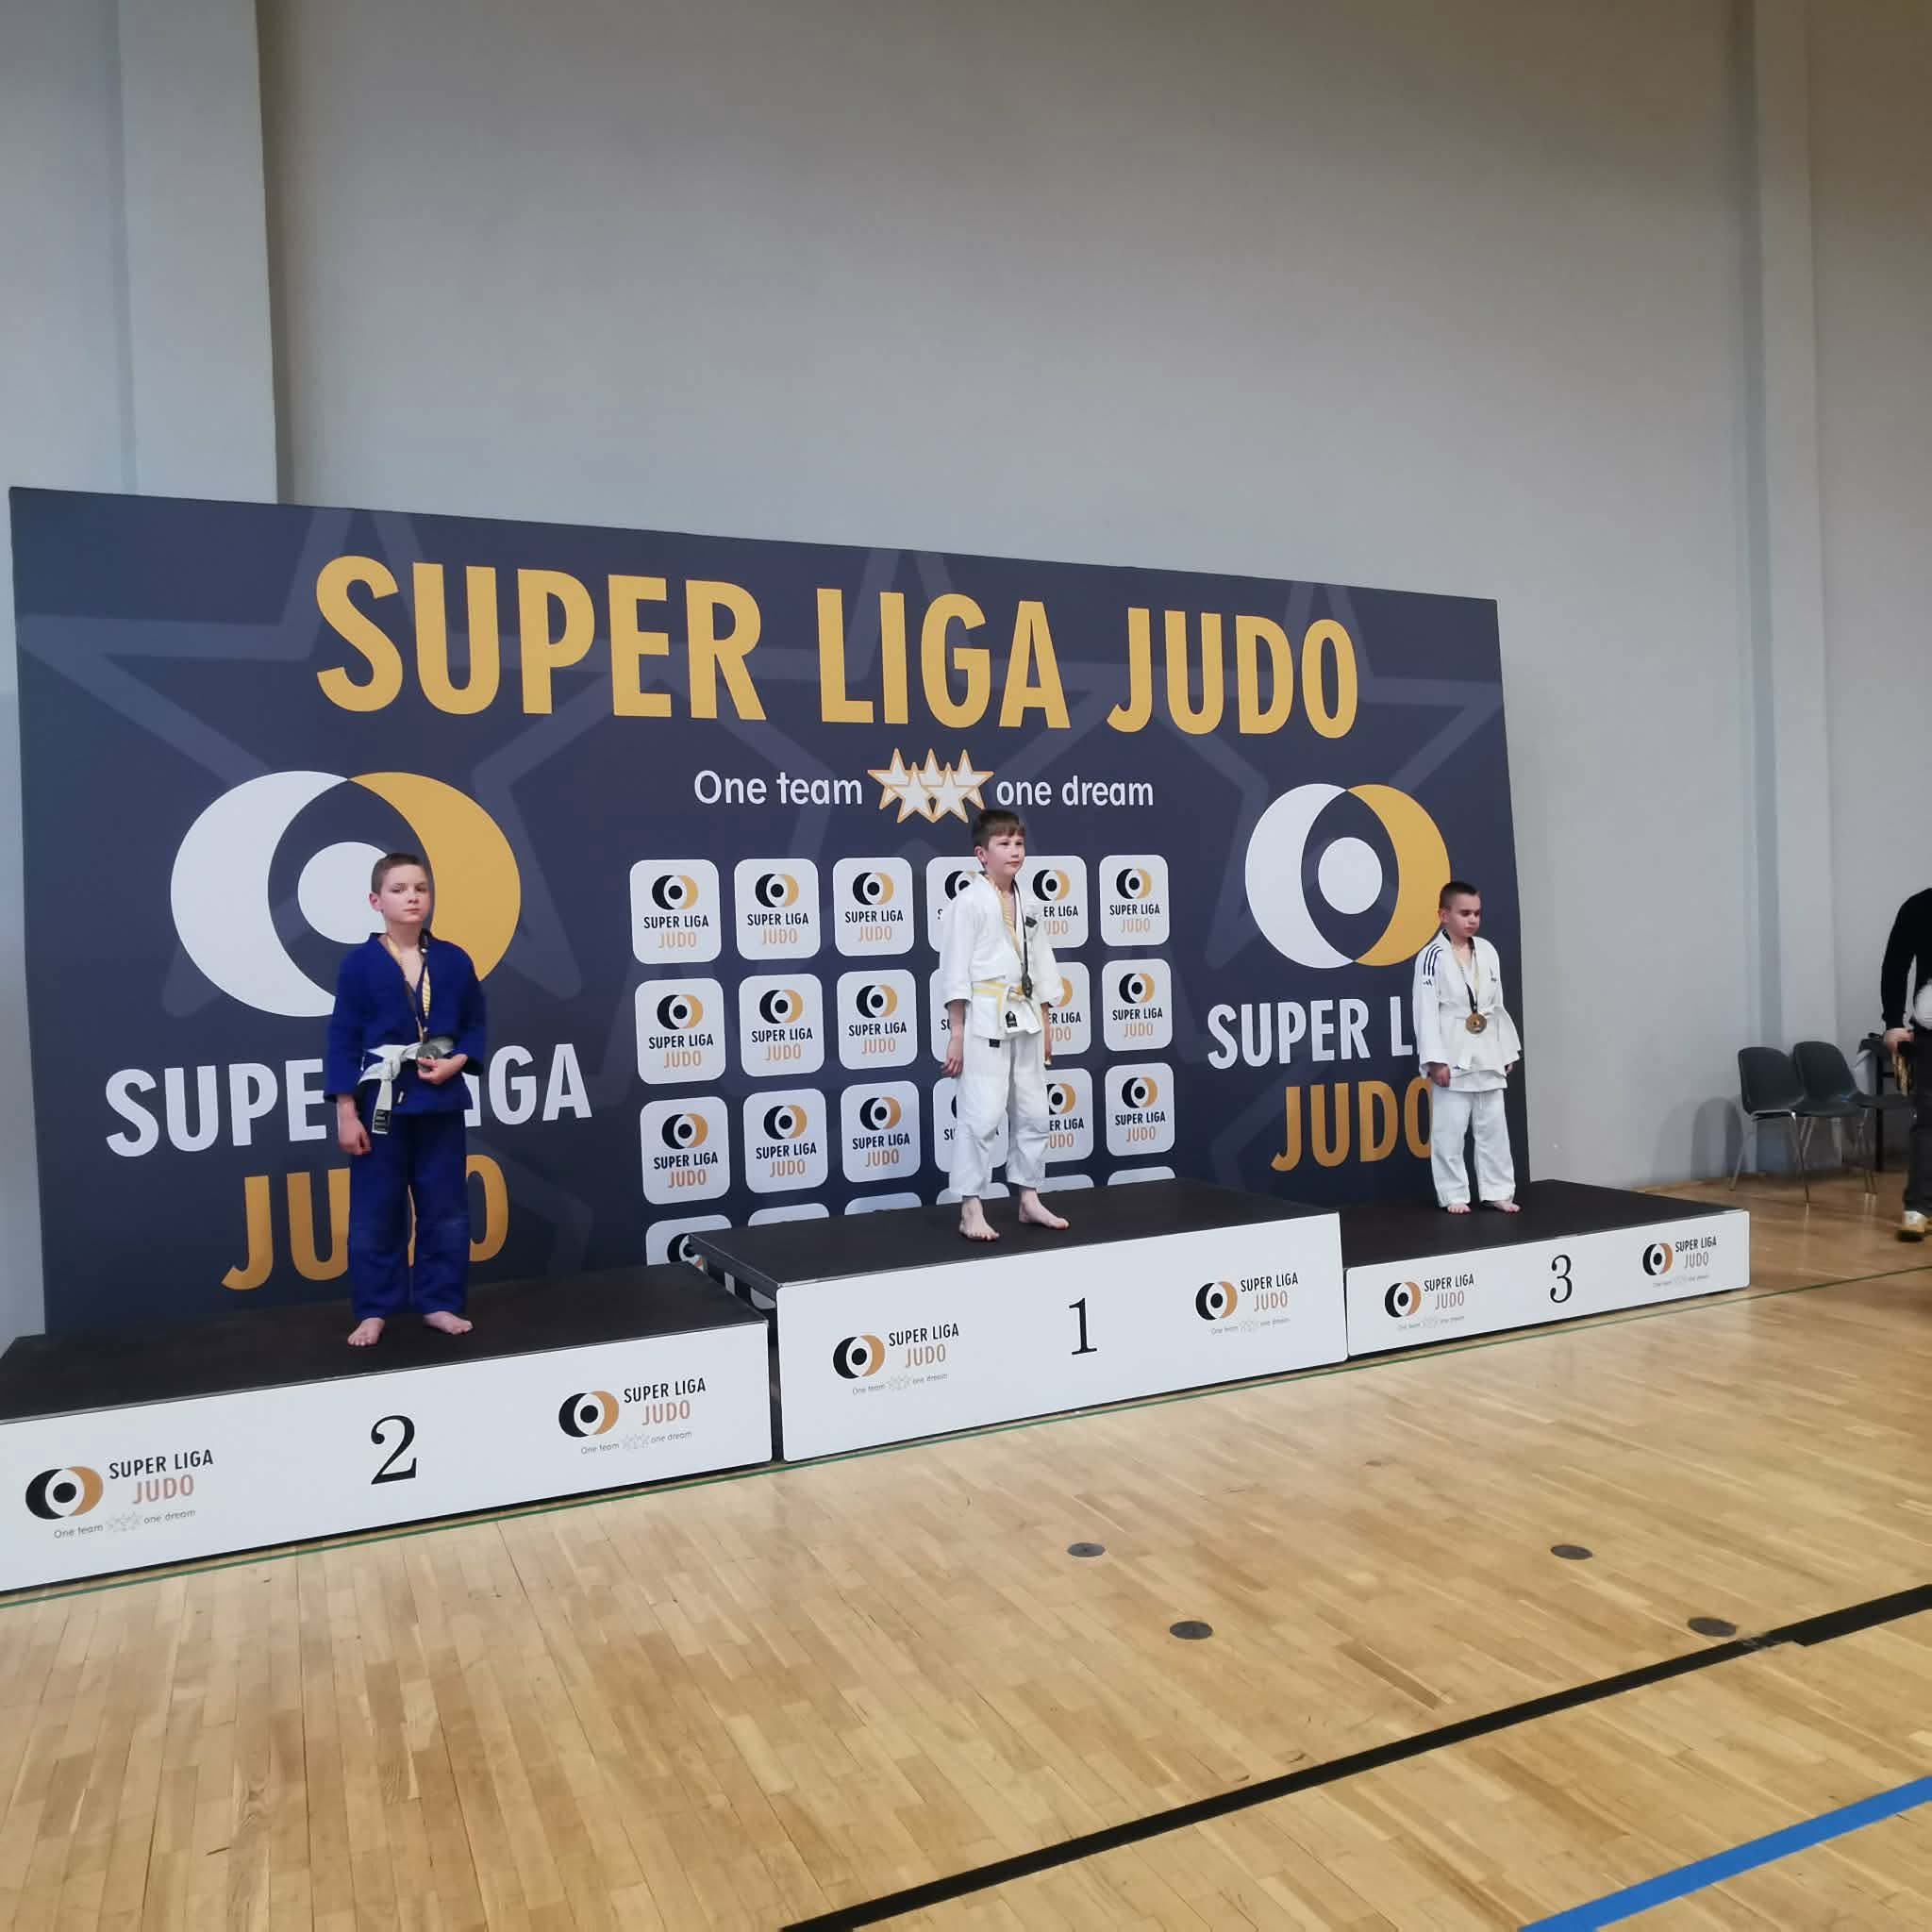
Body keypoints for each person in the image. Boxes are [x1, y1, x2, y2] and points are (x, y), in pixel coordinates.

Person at [325, 852, 487, 1344]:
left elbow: (475, 1025)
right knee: (376, 1209)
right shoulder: (359, 965)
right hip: (381, 1103)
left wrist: (459, 1061)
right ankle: (374, 1308)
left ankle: (440, 1302)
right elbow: (342, 1039)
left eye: (420, 888)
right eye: (398, 890)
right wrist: (345, 1111)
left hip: (440, 1101)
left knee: (446, 1208)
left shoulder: (454, 960)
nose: (412, 897)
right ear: (376, 901)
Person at [938, 808, 1069, 1241]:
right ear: (982, 854)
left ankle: (1029, 1198)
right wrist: (957, 1033)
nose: (1014, 851)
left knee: (1033, 1112)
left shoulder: (1028, 902)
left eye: (1019, 843)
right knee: (982, 1115)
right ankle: (970, 1208)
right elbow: (954, 970)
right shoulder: (968, 903)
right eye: (1004, 844)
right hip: (984, 1018)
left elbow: (1042, 966)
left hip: (1027, 1016)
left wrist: (1047, 1022)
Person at [1414, 878, 1522, 1214]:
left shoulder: (1487, 950)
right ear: (1443, 915)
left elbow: (1497, 1005)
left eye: (1477, 913)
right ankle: (1453, 1193)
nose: (1473, 919)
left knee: (1494, 1127)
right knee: (1450, 1129)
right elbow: (1425, 1010)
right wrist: (1435, 1060)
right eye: (1465, 913)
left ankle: (1498, 1190)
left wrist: (1506, 1049)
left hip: (1487, 1047)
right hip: (1452, 1050)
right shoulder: (1431, 956)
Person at [1879, 885, 1932, 1240]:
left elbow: (1895, 965)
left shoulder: (1919, 904)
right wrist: (1893, 1022)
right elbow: (1896, 965)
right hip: (1929, 1029)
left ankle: (1920, 1208)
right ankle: (1918, 1209)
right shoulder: (1920, 906)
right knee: (1929, 1119)